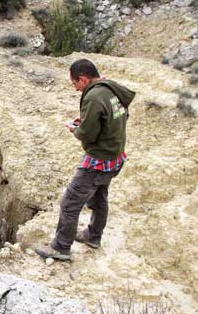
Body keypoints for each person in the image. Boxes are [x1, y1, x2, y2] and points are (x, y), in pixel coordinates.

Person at [35, 59, 136, 261]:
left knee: (69, 204)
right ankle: (93, 236)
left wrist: (76, 129)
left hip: (98, 160)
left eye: (75, 84)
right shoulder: (110, 90)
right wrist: (88, 120)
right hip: (114, 157)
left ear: (83, 78)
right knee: (99, 198)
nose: (75, 89)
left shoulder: (94, 97)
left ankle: (61, 247)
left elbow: (88, 135)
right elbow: (111, 118)